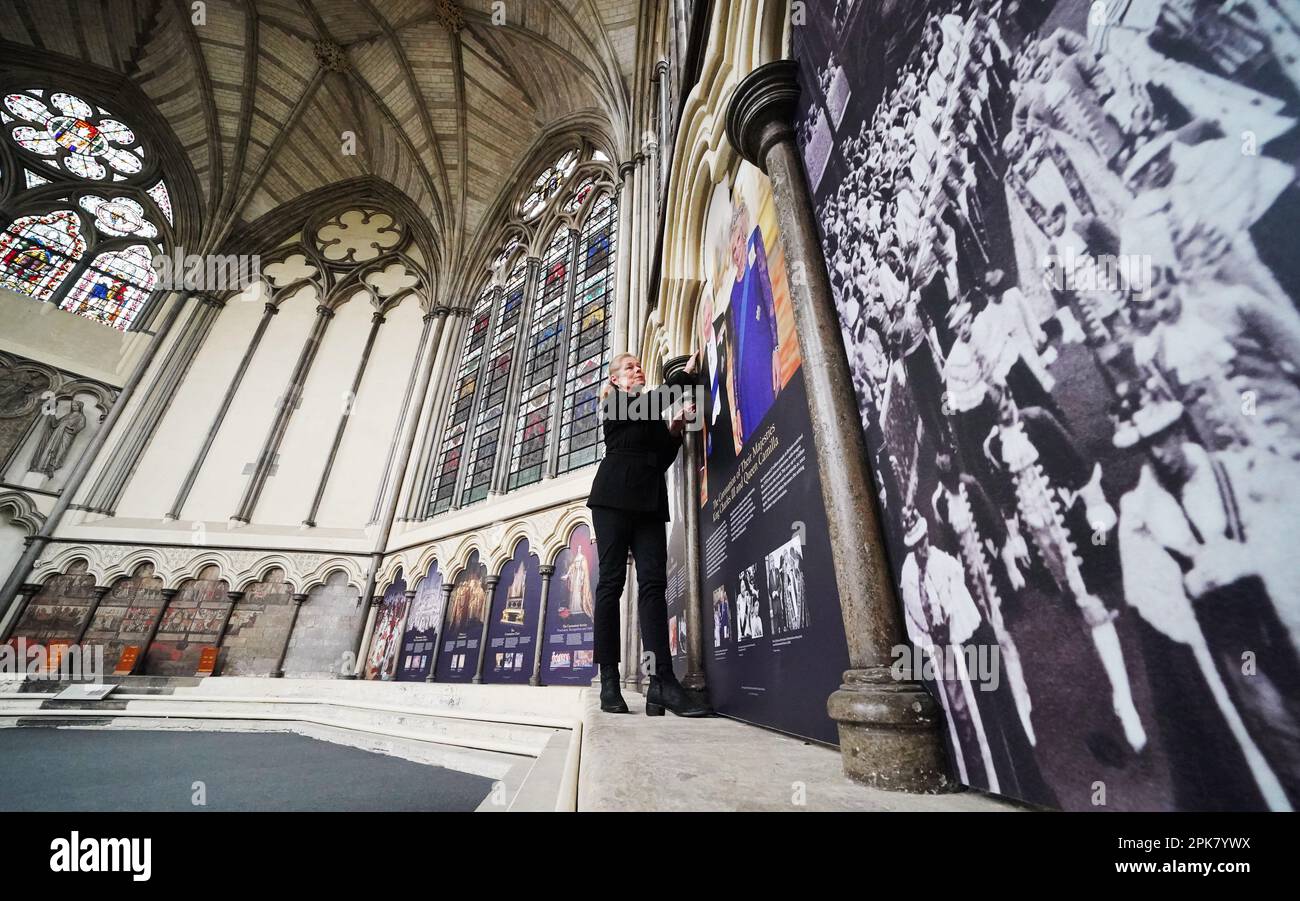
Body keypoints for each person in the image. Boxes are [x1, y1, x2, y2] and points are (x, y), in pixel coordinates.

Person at [587, 351, 712, 717]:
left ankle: (661, 682)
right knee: (611, 584)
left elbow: (659, 457)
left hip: (649, 502)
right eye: (630, 367)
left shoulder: (649, 411)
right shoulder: (615, 404)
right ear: (614, 380)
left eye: (639, 366)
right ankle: (609, 681)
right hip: (612, 498)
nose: (637, 369)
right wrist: (685, 377)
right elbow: (660, 399)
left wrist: (673, 432)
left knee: (654, 587)